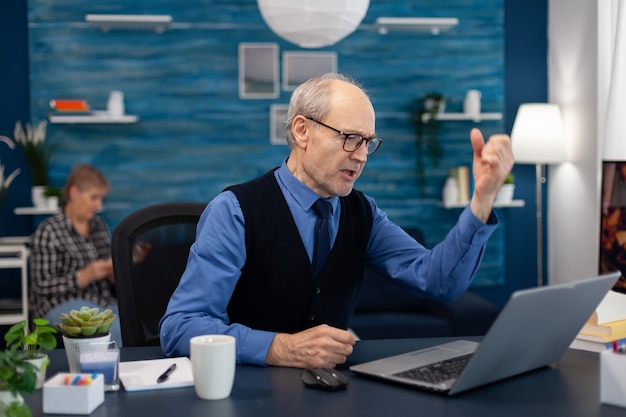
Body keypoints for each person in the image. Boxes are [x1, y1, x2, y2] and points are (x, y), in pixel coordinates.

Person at [159, 73, 514, 368]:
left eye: (368, 143)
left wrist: (482, 201)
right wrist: (280, 347)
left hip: (335, 393)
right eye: (349, 139)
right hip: (247, 393)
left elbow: (439, 281)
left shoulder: (364, 213)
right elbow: (181, 327)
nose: (360, 157)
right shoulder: (234, 210)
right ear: (302, 131)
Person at [29, 163, 122, 345]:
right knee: (114, 326)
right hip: (57, 304)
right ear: (74, 193)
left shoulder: (99, 226)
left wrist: (112, 272)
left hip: (99, 301)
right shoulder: (49, 230)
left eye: (100, 198)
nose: (98, 205)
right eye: (93, 197)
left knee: (133, 320)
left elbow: (108, 268)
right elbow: (41, 285)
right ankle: (110, 372)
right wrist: (83, 276)